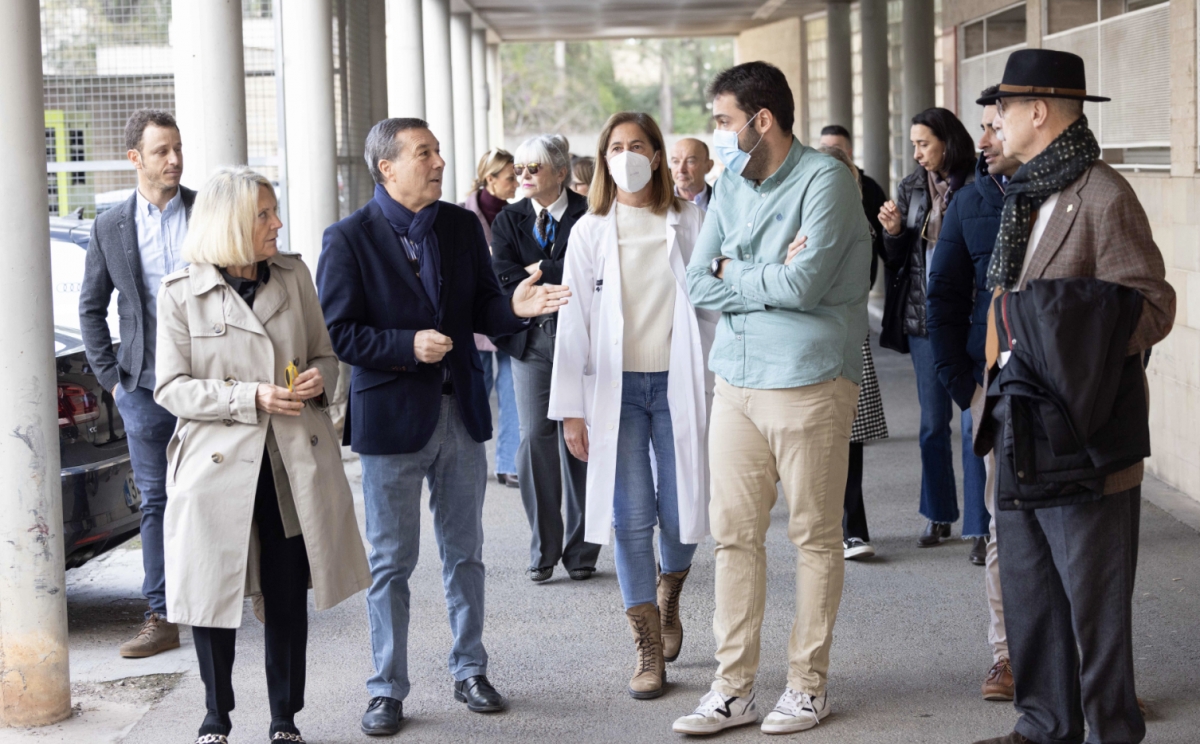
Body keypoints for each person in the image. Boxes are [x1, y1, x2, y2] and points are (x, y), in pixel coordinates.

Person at [317, 118, 569, 736]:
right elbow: (340, 333)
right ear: (388, 168)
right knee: (390, 563)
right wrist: (407, 346)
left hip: (461, 414)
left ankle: (470, 669)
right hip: (392, 423)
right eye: (424, 153)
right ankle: (386, 689)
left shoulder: (459, 227)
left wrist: (512, 308)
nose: (438, 162)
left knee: (466, 556)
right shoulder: (348, 238)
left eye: (437, 151)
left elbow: (484, 303)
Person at [971, 50, 1175, 744]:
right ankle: (1043, 726)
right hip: (1017, 425)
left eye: (1002, 107)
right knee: (1032, 598)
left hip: (1083, 439)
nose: (994, 120)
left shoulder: (1102, 194)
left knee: (1095, 612)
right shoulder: (1023, 194)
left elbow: (1151, 304)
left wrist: (1049, 326)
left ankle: (1110, 731)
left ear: (1038, 111)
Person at [674, 61, 871, 736]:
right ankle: (733, 691)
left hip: (811, 381)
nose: (716, 137)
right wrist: (758, 274)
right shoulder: (729, 181)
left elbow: (807, 285)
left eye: (724, 122)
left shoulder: (828, 181)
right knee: (734, 539)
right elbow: (699, 278)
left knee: (815, 536)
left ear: (762, 121)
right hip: (736, 382)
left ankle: (807, 686)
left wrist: (740, 271)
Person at [154, 166, 371, 744]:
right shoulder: (180, 292)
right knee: (211, 593)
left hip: (289, 460)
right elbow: (170, 387)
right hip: (215, 463)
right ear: (231, 224)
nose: (277, 224)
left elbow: (327, 355)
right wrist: (247, 395)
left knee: (284, 590)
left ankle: (284, 719)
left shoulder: (293, 275)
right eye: (265, 215)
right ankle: (214, 716)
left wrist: (317, 382)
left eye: (275, 212)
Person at [549, 112, 715, 700]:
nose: (627, 155)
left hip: (677, 386)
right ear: (602, 158)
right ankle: (648, 646)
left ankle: (670, 591)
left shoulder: (689, 220)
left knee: (683, 508)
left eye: (637, 145)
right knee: (630, 517)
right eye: (616, 147)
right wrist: (571, 408)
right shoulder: (590, 230)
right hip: (614, 392)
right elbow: (574, 322)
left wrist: (718, 385)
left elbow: (711, 309)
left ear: (657, 153)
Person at [78, 109, 193, 659]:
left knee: (233, 489)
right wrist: (113, 380)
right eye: (161, 151)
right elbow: (91, 309)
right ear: (135, 159)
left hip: (210, 382)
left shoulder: (206, 211)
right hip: (144, 387)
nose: (173, 160)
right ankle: (162, 614)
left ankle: (252, 590)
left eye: (176, 149)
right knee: (156, 500)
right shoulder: (110, 226)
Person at [926, 85, 1021, 701]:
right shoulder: (971, 202)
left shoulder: (1071, 197)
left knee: (1077, 536)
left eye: (993, 127)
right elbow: (944, 295)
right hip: (993, 386)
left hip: (1072, 392)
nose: (982, 140)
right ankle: (1007, 656)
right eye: (981, 128)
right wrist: (964, 385)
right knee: (1002, 524)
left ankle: (1090, 665)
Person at [491, 134, 600, 583]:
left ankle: (582, 551)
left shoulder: (590, 213)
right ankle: (543, 549)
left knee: (580, 443)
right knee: (535, 438)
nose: (524, 177)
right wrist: (553, 276)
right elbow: (503, 277)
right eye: (519, 170)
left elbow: (589, 275)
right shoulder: (508, 219)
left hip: (583, 340)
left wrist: (535, 276)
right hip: (531, 342)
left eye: (534, 168)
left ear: (560, 171)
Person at [878, 107, 987, 551]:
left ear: (947, 139)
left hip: (973, 321)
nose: (917, 153)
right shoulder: (910, 187)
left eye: (924, 143)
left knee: (973, 425)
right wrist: (893, 233)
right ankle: (938, 513)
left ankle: (980, 526)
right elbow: (896, 260)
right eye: (913, 145)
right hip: (926, 322)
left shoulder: (981, 183)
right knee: (931, 424)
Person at [816, 145, 889, 561]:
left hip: (848, 337)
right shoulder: (797, 218)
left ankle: (853, 529)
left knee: (850, 436)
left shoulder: (859, 223)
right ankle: (822, 525)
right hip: (802, 339)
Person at [461, 148, 521, 488]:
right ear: (491, 179)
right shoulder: (459, 215)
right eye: (511, 177)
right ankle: (467, 459)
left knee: (513, 391)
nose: (518, 183)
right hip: (474, 318)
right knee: (474, 392)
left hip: (510, 314)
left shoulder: (517, 216)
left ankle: (508, 463)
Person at [818, 125, 888, 288]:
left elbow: (883, 238)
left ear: (848, 152)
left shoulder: (870, 188)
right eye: (823, 147)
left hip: (858, 282)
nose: (829, 153)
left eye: (835, 149)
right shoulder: (808, 186)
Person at [669, 137, 714, 210]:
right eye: (675, 162)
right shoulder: (658, 200)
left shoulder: (722, 202)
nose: (681, 169)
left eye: (690, 161)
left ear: (709, 166)